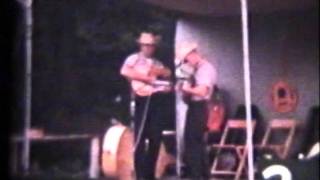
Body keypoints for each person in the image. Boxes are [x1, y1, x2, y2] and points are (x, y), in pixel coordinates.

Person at [120, 32, 171, 180]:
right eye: (146, 46)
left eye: (151, 46)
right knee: (140, 137)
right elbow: (124, 71)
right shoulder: (134, 59)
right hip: (140, 98)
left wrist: (163, 78)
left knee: (155, 137)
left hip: (155, 98)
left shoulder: (157, 63)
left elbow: (166, 75)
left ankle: (150, 174)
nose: (149, 48)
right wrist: (147, 79)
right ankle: (140, 174)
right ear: (141, 46)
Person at [176, 41, 217, 179]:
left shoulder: (206, 69)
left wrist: (188, 89)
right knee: (192, 142)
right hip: (193, 107)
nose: (187, 62)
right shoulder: (195, 70)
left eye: (187, 59)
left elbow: (203, 91)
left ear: (193, 55)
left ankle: (198, 175)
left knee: (195, 143)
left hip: (200, 107)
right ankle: (199, 174)